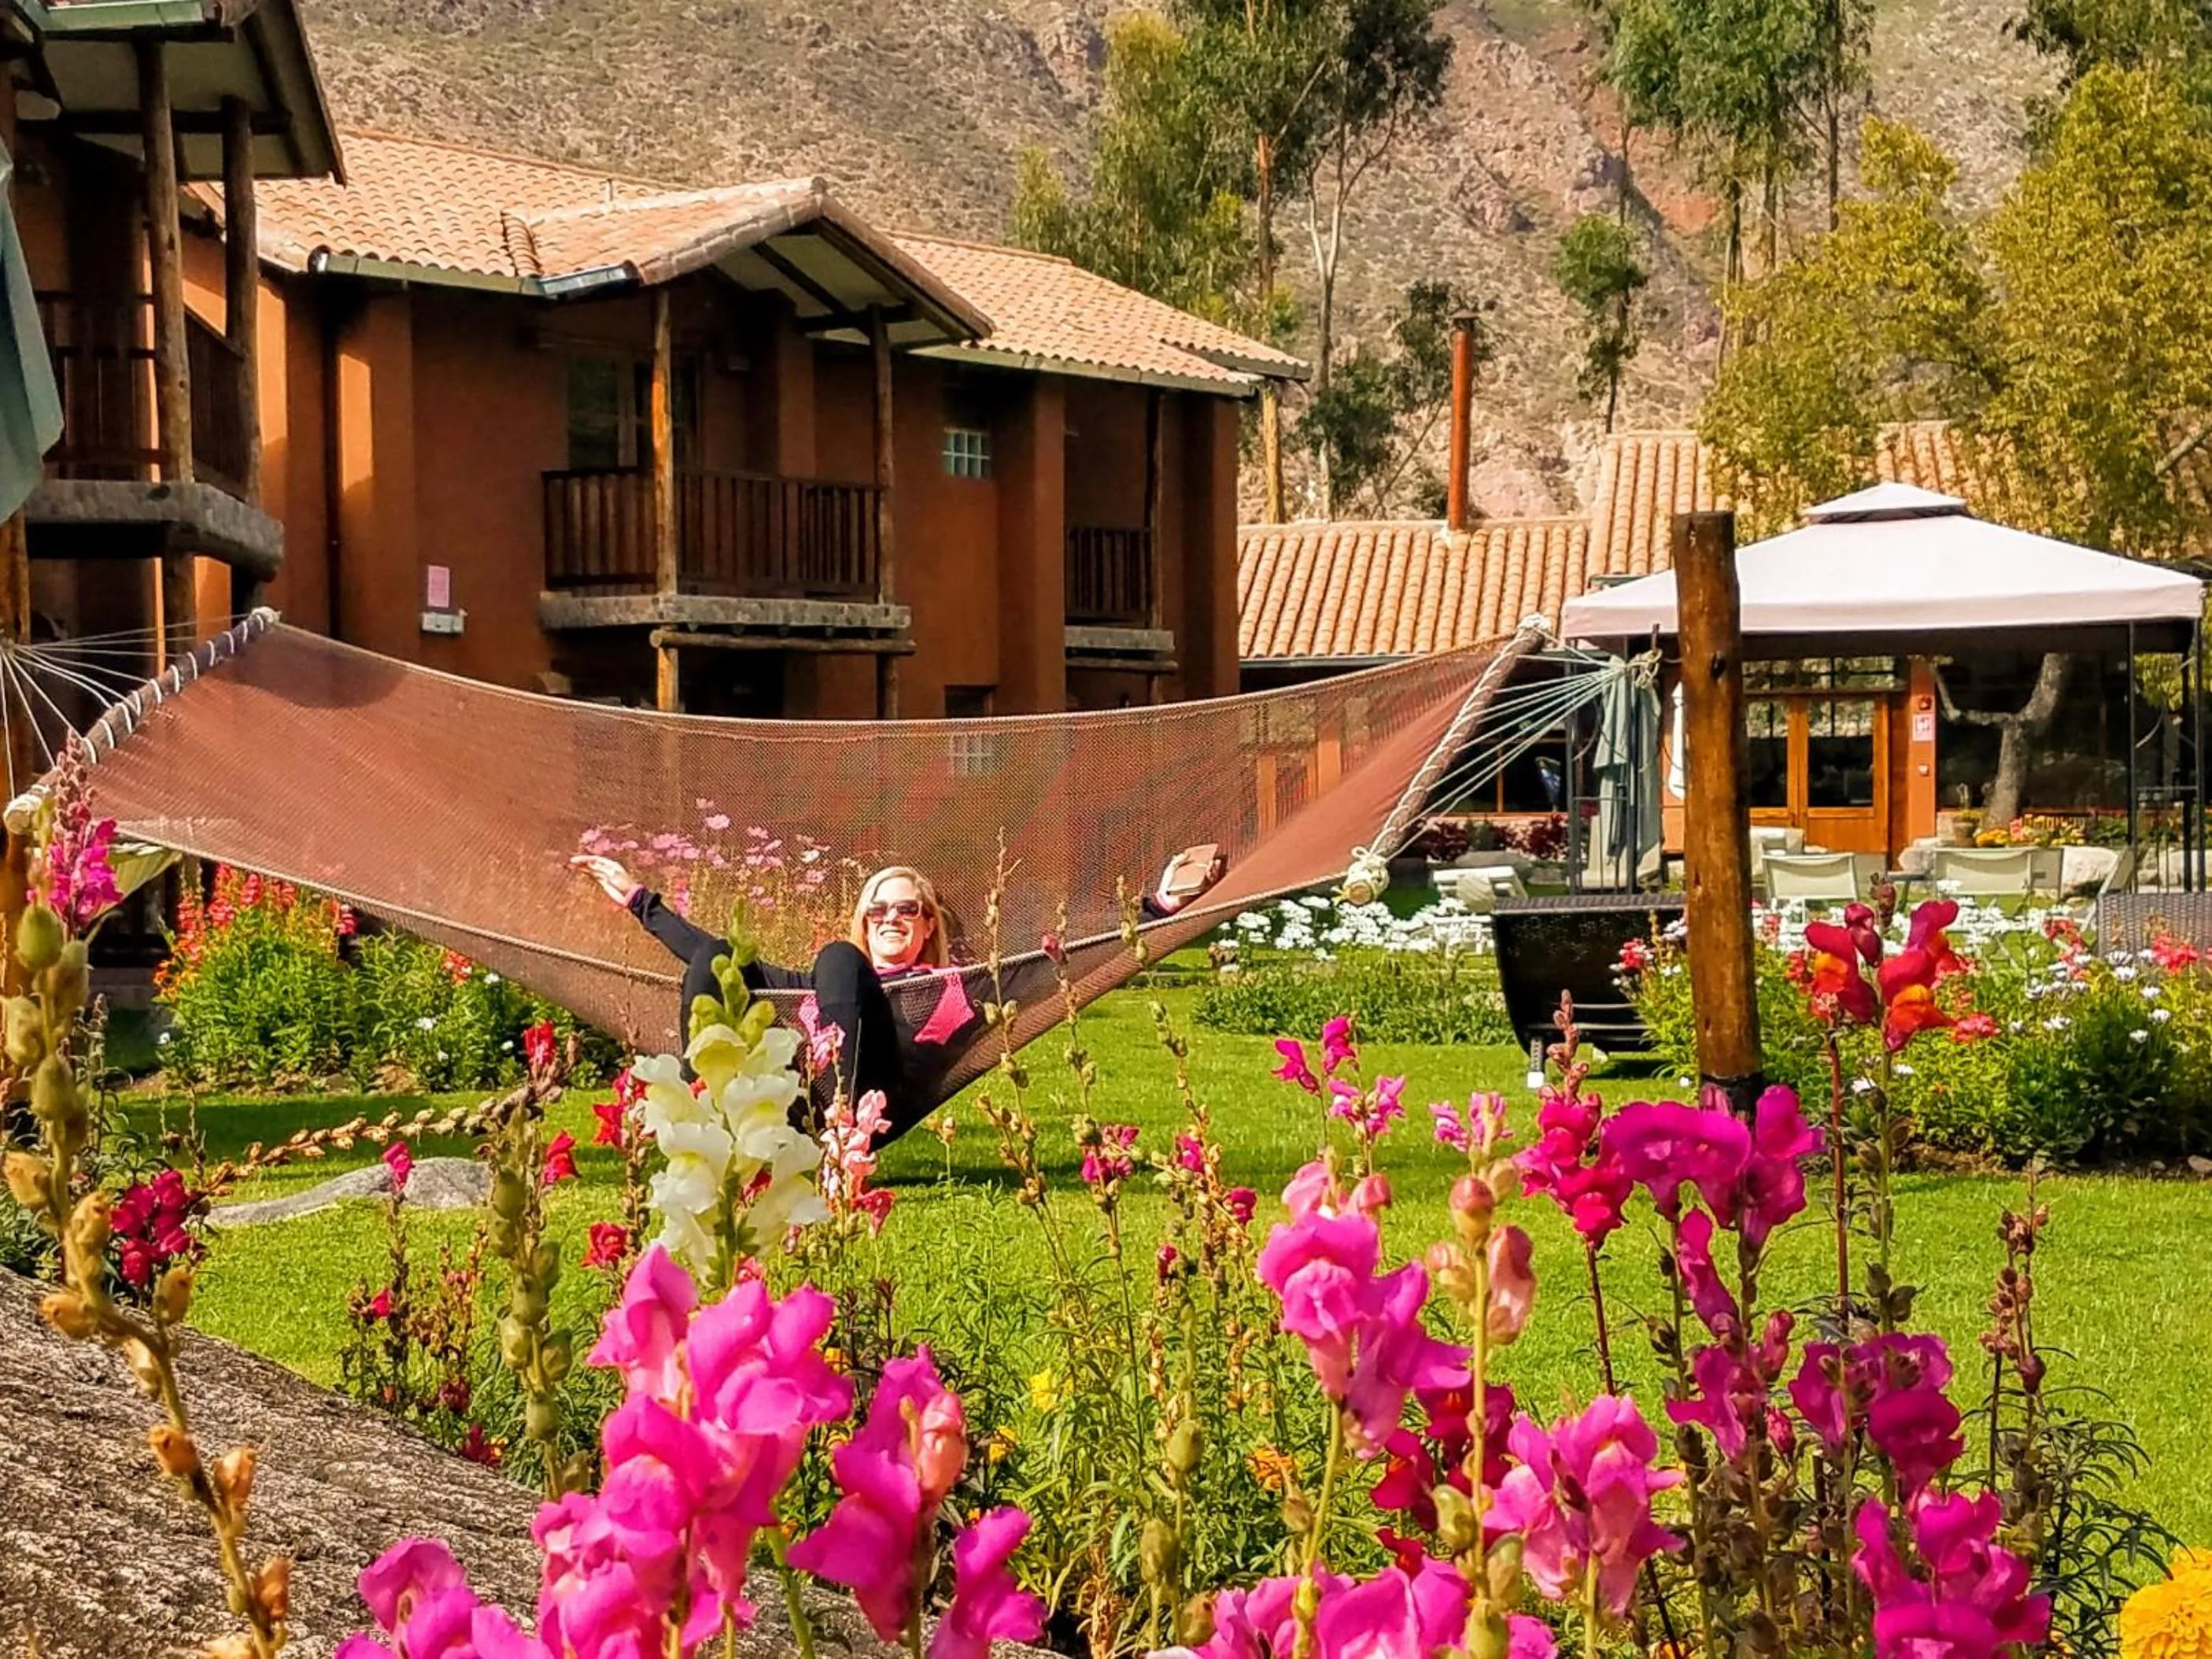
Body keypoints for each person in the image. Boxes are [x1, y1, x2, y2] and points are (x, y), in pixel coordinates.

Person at [572, 848, 1224, 1142]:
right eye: (877, 907)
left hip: (870, 1112)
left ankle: (845, 1125)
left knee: (836, 960)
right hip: (790, 1108)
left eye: (907, 908)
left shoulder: (956, 991)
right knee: (722, 958)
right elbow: (709, 958)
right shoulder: (826, 984)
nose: (891, 917)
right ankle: (697, 1102)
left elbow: (1062, 958)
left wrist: (1158, 905)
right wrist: (640, 900)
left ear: (928, 923)